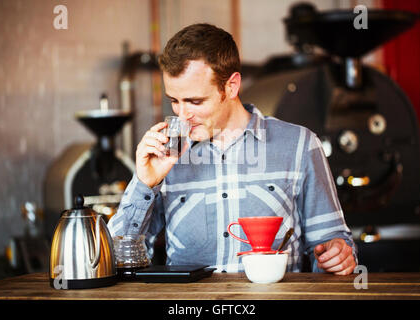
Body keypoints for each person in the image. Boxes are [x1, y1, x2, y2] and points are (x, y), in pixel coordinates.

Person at [108, 23, 357, 275]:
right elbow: (116, 259)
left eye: (195, 101)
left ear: (231, 86)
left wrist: (338, 254)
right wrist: (144, 184)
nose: (182, 115)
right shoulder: (165, 156)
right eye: (174, 101)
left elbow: (333, 241)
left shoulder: (300, 145)